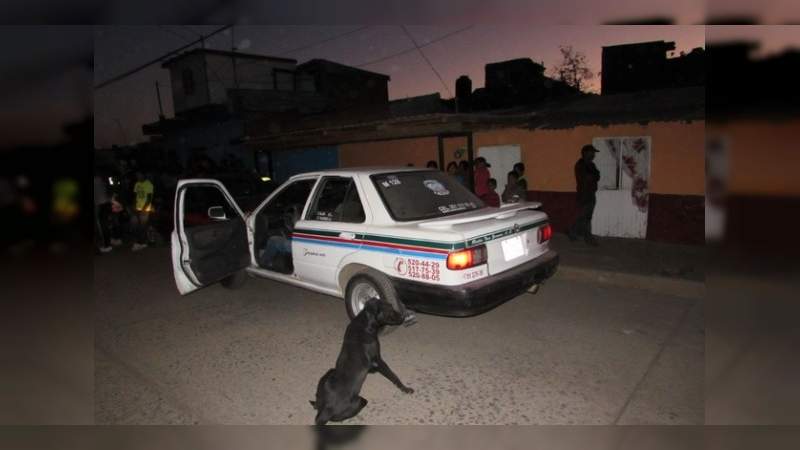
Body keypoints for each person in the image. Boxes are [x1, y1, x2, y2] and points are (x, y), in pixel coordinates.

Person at [568, 144, 601, 246]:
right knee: (586, 217)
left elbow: (597, 176)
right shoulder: (580, 165)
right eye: (592, 153)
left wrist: (593, 175)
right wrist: (593, 175)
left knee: (585, 216)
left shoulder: (591, 165)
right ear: (586, 153)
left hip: (591, 193)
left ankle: (572, 232)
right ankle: (588, 238)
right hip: (584, 194)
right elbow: (589, 177)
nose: (594, 155)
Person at [132, 171, 154, 251]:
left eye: (139, 175)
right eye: (137, 175)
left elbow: (149, 198)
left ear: (144, 175)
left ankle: (141, 243)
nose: (138, 177)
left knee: (142, 226)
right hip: (137, 207)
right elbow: (135, 196)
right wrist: (134, 206)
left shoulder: (148, 184)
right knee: (135, 225)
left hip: (145, 209)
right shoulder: (137, 184)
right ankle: (141, 242)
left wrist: (143, 209)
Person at [94, 175, 112, 253]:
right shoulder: (103, 179)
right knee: (104, 224)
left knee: (102, 225)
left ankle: (106, 245)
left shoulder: (96, 180)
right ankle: (107, 244)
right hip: (106, 203)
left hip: (100, 204)